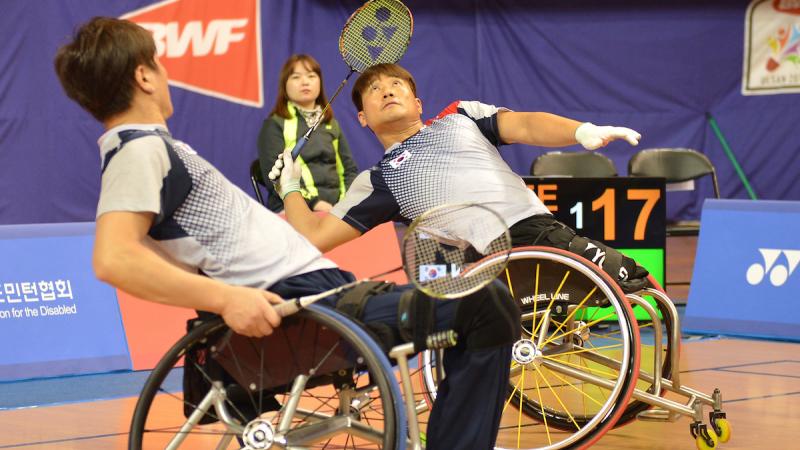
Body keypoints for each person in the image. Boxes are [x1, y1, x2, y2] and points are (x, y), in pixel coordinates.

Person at [54, 18, 519, 449]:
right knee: (487, 304)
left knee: (477, 294)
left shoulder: (153, 148)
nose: (164, 72)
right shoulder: (138, 150)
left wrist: (290, 187)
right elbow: (112, 258)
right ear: (144, 77)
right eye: (158, 62)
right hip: (314, 310)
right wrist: (225, 299)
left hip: (328, 296)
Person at [273, 63, 650, 292]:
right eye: (374, 89)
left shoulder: (461, 117)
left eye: (396, 84)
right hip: (475, 270)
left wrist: (580, 130)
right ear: (362, 119)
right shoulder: (379, 179)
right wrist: (289, 185)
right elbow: (314, 236)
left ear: (418, 104)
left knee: (641, 284)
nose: (386, 89)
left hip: (537, 236)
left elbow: (525, 124)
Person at [257, 54, 358, 212]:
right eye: (296, 77)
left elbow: (349, 170)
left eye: (311, 76)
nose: (305, 82)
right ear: (285, 85)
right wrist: (315, 204)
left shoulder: (331, 124)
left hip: (336, 210)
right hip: (293, 208)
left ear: (319, 82)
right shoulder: (274, 125)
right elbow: (275, 179)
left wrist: (344, 203)